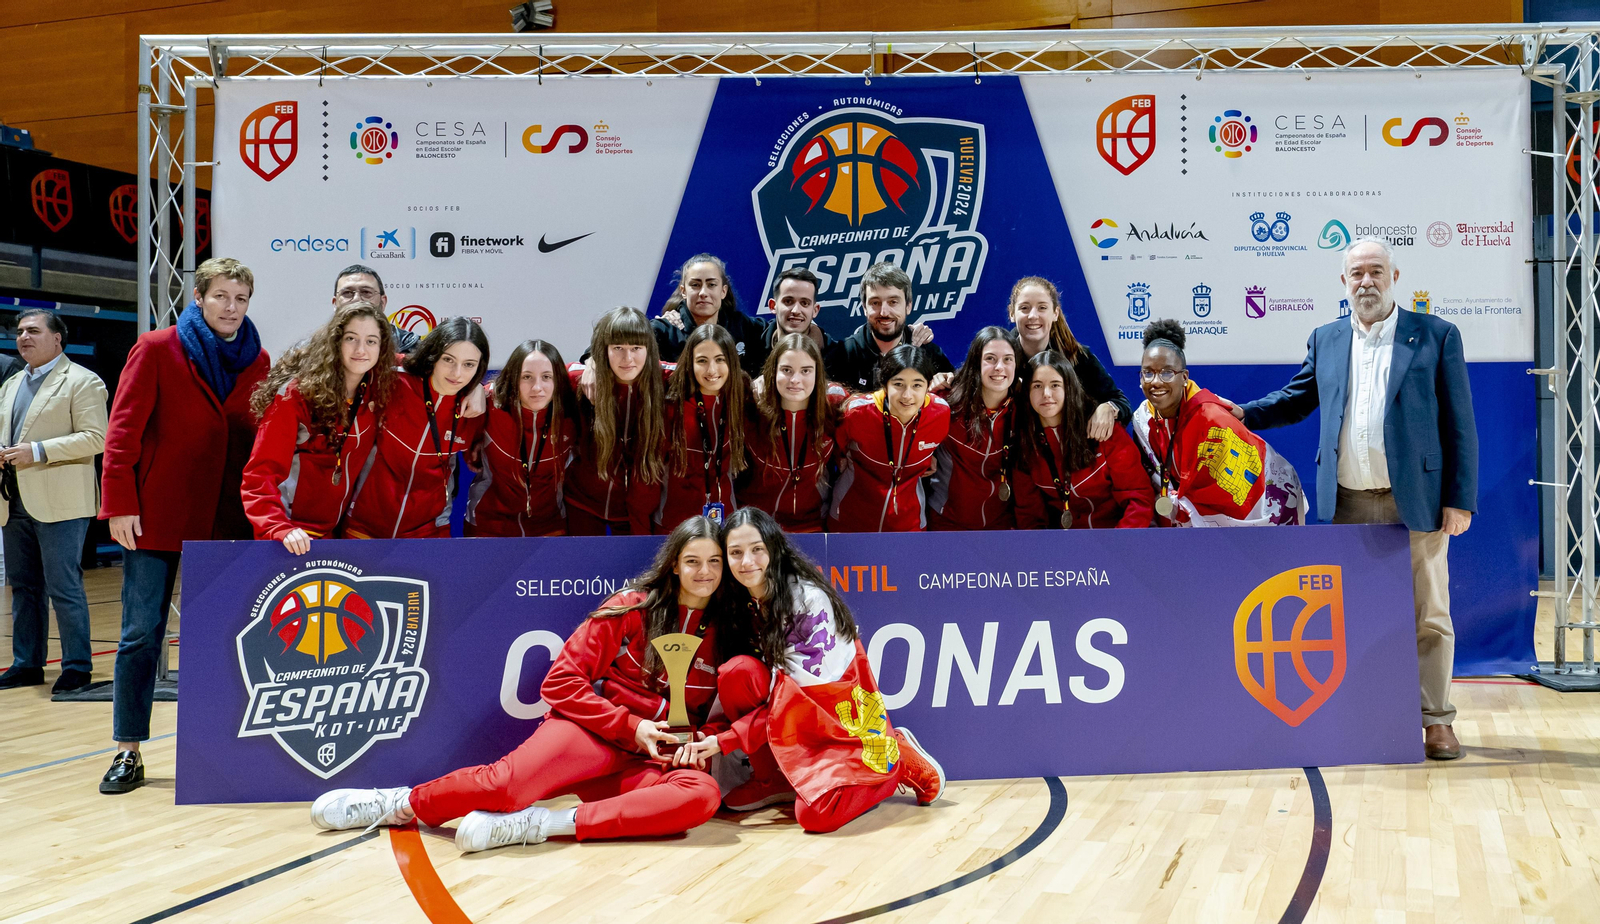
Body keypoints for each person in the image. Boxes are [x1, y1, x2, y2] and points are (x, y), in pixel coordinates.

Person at [307, 517, 741, 851]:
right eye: (692, 561)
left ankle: (536, 825)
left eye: (714, 562)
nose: (704, 571)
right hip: (592, 737)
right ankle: (396, 805)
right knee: (504, 787)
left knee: (700, 797)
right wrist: (629, 726)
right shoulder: (632, 608)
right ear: (673, 565)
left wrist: (702, 741)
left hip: (646, 762)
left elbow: (728, 714)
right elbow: (560, 683)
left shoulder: (729, 632)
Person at [1232, 237, 1477, 761]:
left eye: (1375, 271)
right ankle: (1363, 715)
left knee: (1429, 614)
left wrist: (1459, 500)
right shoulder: (1327, 339)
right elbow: (1297, 397)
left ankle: (1436, 721)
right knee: (1348, 615)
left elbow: (1461, 425)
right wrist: (1245, 413)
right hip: (1347, 505)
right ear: (1343, 282)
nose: (1366, 281)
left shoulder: (1435, 336)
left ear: (1394, 275)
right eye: (1356, 273)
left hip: (1418, 501)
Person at [99, 256, 270, 794]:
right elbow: (122, 432)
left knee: (220, 637)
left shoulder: (258, 359)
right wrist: (119, 502)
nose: (231, 307)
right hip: (156, 515)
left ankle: (214, 748)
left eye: (240, 298)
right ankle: (128, 750)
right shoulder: (156, 347)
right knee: (138, 635)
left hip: (225, 522)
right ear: (199, 297)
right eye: (221, 296)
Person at [714, 507, 944, 829]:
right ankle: (773, 780)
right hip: (791, 715)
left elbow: (796, 703)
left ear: (774, 549)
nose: (746, 561)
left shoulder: (807, 603)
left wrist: (724, 740)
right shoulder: (736, 600)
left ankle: (893, 762)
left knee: (816, 815)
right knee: (737, 673)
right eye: (735, 553)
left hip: (834, 717)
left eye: (757, 549)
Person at [0, 309, 108, 694]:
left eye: (33, 330)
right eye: (19, 332)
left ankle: (77, 666)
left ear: (57, 338)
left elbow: (98, 438)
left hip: (61, 501)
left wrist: (39, 450)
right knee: (24, 587)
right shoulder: (12, 384)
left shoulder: (82, 381)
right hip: (13, 499)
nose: (23, 337)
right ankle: (27, 664)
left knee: (64, 586)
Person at [242, 302, 396, 553]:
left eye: (371, 341)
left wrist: (474, 388)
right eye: (351, 338)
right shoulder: (296, 396)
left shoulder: (376, 392)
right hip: (288, 536)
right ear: (335, 342)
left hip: (335, 536)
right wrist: (277, 527)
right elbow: (260, 475)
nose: (361, 349)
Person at [1129, 319, 1303, 528]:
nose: (1156, 381)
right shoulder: (1143, 418)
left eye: (1167, 372)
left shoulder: (1211, 420)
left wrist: (1178, 505)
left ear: (1184, 377)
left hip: (1265, 513)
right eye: (1148, 372)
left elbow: (1228, 498)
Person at [342, 317, 488, 539]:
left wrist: (482, 388)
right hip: (364, 526)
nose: (457, 373)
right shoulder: (392, 381)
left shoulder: (474, 409)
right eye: (448, 359)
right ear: (433, 355)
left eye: (469, 364)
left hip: (430, 531)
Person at [1013, 351, 1153, 530]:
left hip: (1116, 541)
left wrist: (1118, 549)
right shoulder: (1026, 444)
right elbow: (1030, 517)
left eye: (1055, 385)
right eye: (1037, 386)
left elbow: (1138, 499)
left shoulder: (1104, 430)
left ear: (1069, 388)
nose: (1046, 394)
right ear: (1027, 392)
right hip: (1063, 549)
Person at [566, 307, 668, 535]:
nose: (627, 358)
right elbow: (532, 375)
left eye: (636, 348)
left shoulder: (665, 380)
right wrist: (480, 393)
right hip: (582, 504)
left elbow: (715, 373)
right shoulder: (580, 380)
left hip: (637, 511)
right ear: (604, 350)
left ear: (649, 349)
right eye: (618, 348)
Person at [828, 345, 951, 532]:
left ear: (928, 385)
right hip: (850, 520)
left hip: (909, 525)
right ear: (885, 384)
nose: (907, 395)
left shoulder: (940, 413)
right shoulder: (857, 412)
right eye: (898, 384)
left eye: (917, 385)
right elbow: (837, 447)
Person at [465, 340, 577, 537]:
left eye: (546, 377)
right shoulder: (491, 405)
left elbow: (588, 370)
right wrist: (473, 388)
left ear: (558, 379)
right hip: (488, 524)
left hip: (549, 526)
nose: (537, 387)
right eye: (527, 377)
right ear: (514, 378)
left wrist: (591, 364)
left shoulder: (571, 412)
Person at [1007, 276, 1130, 440]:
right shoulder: (1000, 358)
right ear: (1012, 313)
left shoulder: (1076, 357)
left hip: (1069, 452)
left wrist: (1108, 408)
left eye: (1042, 307)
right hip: (1019, 451)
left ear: (1055, 313)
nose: (1033, 316)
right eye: (1024, 308)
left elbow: (1120, 402)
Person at [926, 327, 1022, 531]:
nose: (999, 367)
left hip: (1001, 527)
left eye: (1007, 359)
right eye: (990, 359)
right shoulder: (946, 405)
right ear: (976, 362)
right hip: (946, 524)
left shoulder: (1025, 412)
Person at [741, 333, 839, 533]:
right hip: (755, 529)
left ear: (817, 374)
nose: (795, 379)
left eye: (805, 371)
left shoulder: (834, 409)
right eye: (787, 370)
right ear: (773, 371)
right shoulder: (750, 411)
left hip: (812, 528)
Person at [656, 324, 745, 532]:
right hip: (673, 525)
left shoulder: (741, 400)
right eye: (702, 361)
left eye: (720, 360)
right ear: (690, 363)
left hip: (724, 524)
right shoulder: (672, 406)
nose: (712, 370)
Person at [824, 263, 954, 392]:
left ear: (908, 306)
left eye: (893, 302)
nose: (884, 312)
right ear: (864, 308)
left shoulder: (929, 354)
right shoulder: (841, 356)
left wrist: (942, 386)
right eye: (875, 303)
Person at [650, 254, 767, 377]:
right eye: (695, 285)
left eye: (711, 285)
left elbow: (777, 330)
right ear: (683, 291)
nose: (703, 293)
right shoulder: (662, 332)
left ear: (723, 291)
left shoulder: (741, 326)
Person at [332, 264, 419, 354]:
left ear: (383, 302)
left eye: (366, 292)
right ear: (335, 303)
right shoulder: (319, 348)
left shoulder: (411, 347)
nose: (357, 299)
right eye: (347, 293)